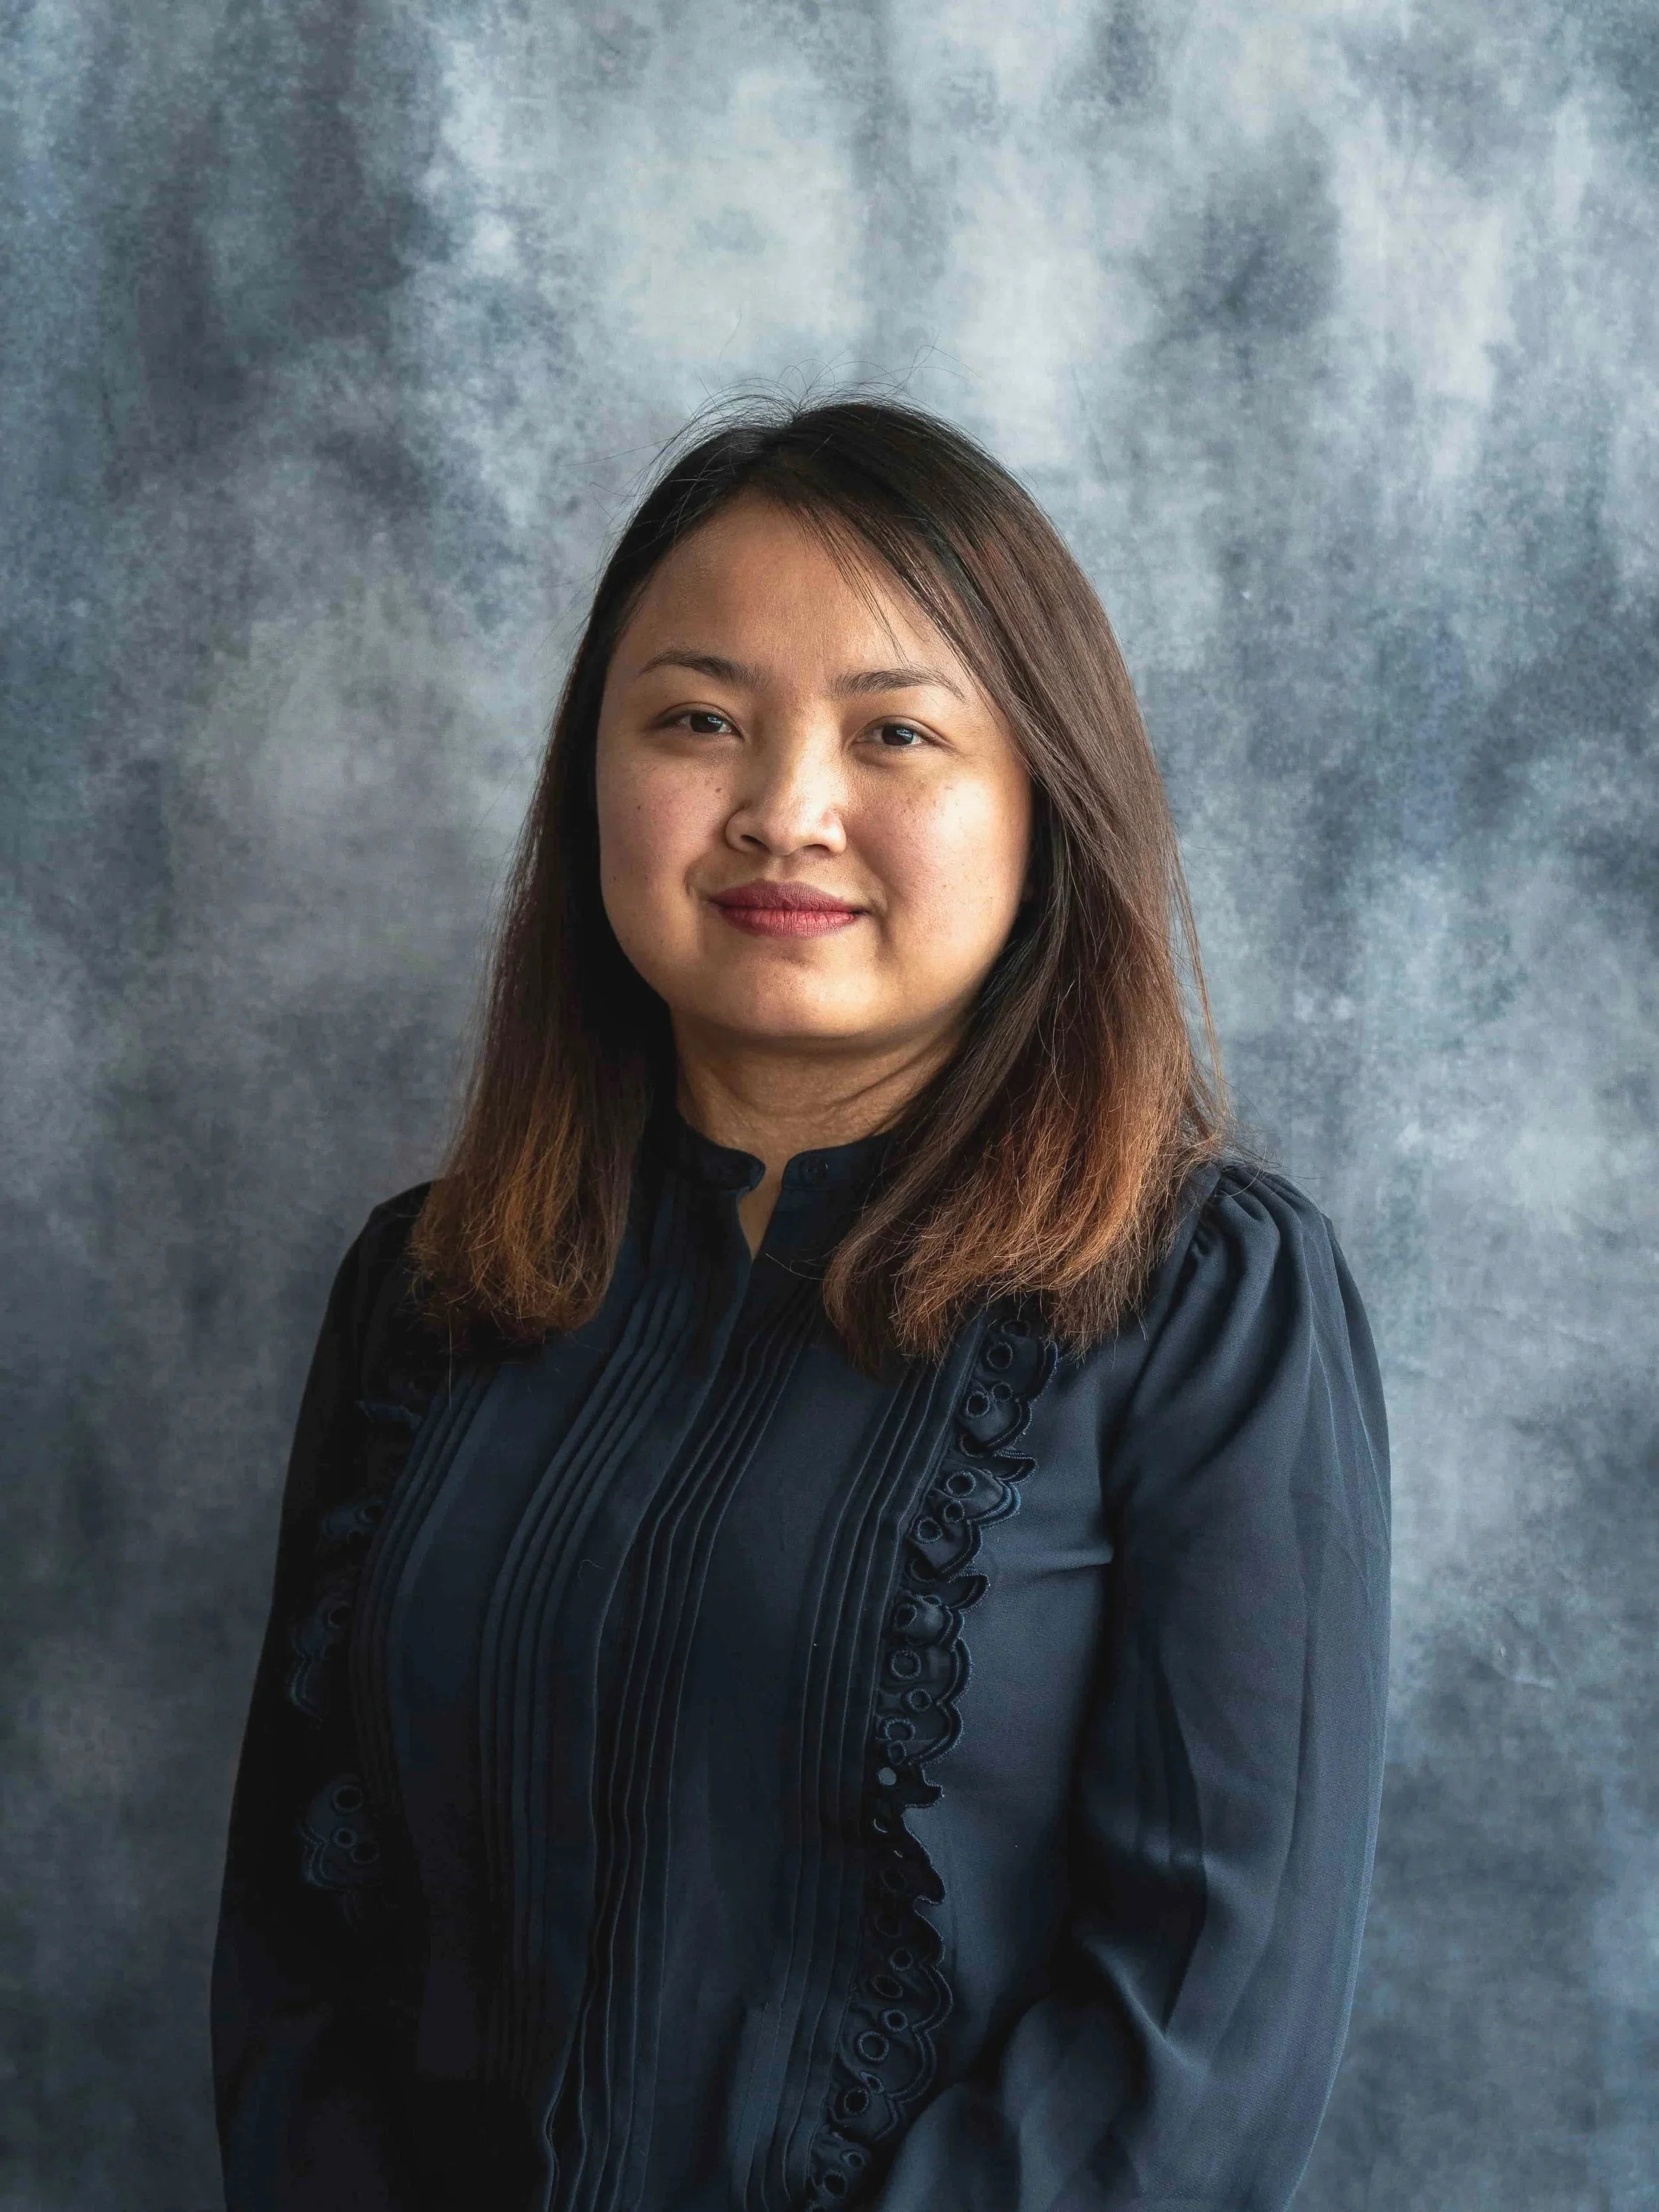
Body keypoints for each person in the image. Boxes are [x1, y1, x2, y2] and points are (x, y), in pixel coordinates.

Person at [211, 397, 1390, 2212]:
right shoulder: (422, 1291)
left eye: (895, 732)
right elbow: (297, 1948)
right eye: (697, 720)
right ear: (590, 776)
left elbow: (1194, 2033)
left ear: (1041, 805)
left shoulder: (1202, 1308)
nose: (782, 810)